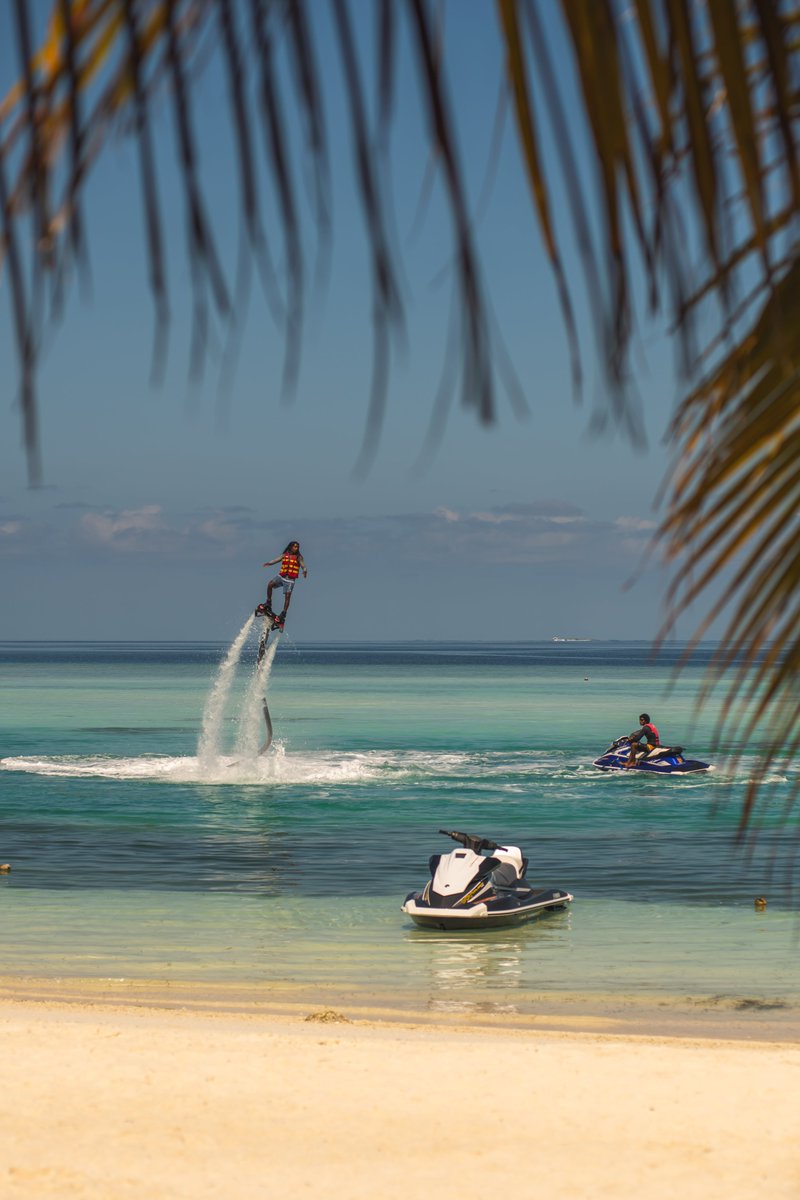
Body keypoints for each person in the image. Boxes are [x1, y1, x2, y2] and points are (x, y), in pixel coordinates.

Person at [261, 540, 308, 621]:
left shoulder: (299, 557)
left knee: (287, 597)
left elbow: (303, 565)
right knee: (270, 584)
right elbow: (276, 560)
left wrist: (304, 570)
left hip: (290, 580)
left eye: (297, 547)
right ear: (290, 547)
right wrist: (269, 563)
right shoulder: (285, 555)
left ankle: (283, 614)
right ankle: (268, 602)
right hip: (281, 577)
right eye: (295, 546)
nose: (296, 548)